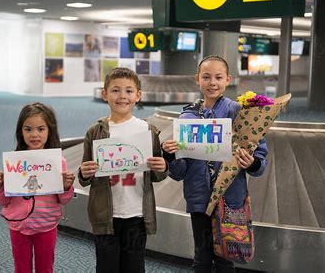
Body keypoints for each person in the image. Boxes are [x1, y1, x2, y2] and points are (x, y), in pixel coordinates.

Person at [162, 55, 268, 273]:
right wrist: (170, 156)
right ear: (197, 79)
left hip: (230, 198)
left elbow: (260, 158)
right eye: (206, 77)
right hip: (199, 198)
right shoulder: (186, 119)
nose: (212, 83)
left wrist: (253, 163)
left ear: (228, 79)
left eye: (218, 77)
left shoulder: (240, 113)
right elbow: (180, 172)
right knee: (202, 256)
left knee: (225, 258)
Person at [78, 67, 168, 273]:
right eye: (116, 90)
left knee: (135, 266)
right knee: (106, 266)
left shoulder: (147, 130)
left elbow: (156, 172)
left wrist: (163, 167)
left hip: (136, 214)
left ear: (138, 96)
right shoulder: (96, 131)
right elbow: (84, 177)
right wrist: (85, 172)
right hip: (105, 216)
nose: (122, 96)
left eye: (129, 91)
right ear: (105, 94)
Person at [0, 102, 75, 273]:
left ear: (49, 130)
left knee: (45, 267)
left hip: (47, 225)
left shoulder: (58, 162)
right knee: (21, 267)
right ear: (20, 132)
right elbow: (4, 201)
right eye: (28, 129)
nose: (34, 135)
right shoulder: (14, 161)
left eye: (41, 129)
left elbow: (63, 200)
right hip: (19, 226)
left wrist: (66, 187)